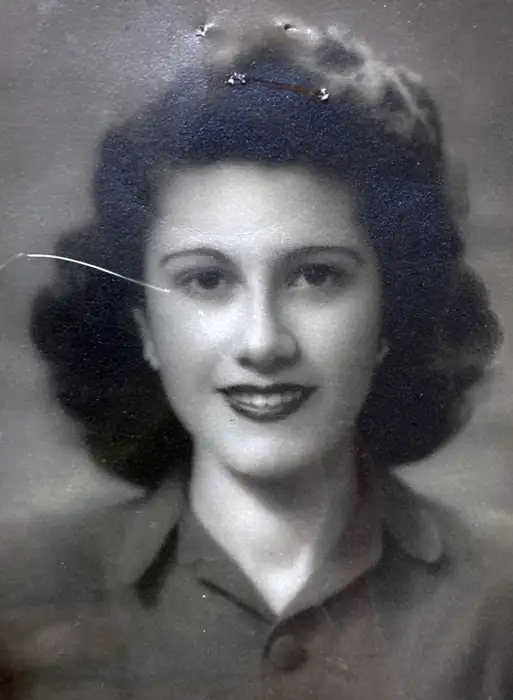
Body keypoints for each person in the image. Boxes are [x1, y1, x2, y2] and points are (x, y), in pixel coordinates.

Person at [1, 16, 510, 700]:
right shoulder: (19, 584)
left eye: (316, 276)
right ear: (145, 326)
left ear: (392, 311)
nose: (263, 342)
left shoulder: (500, 597)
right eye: (206, 280)